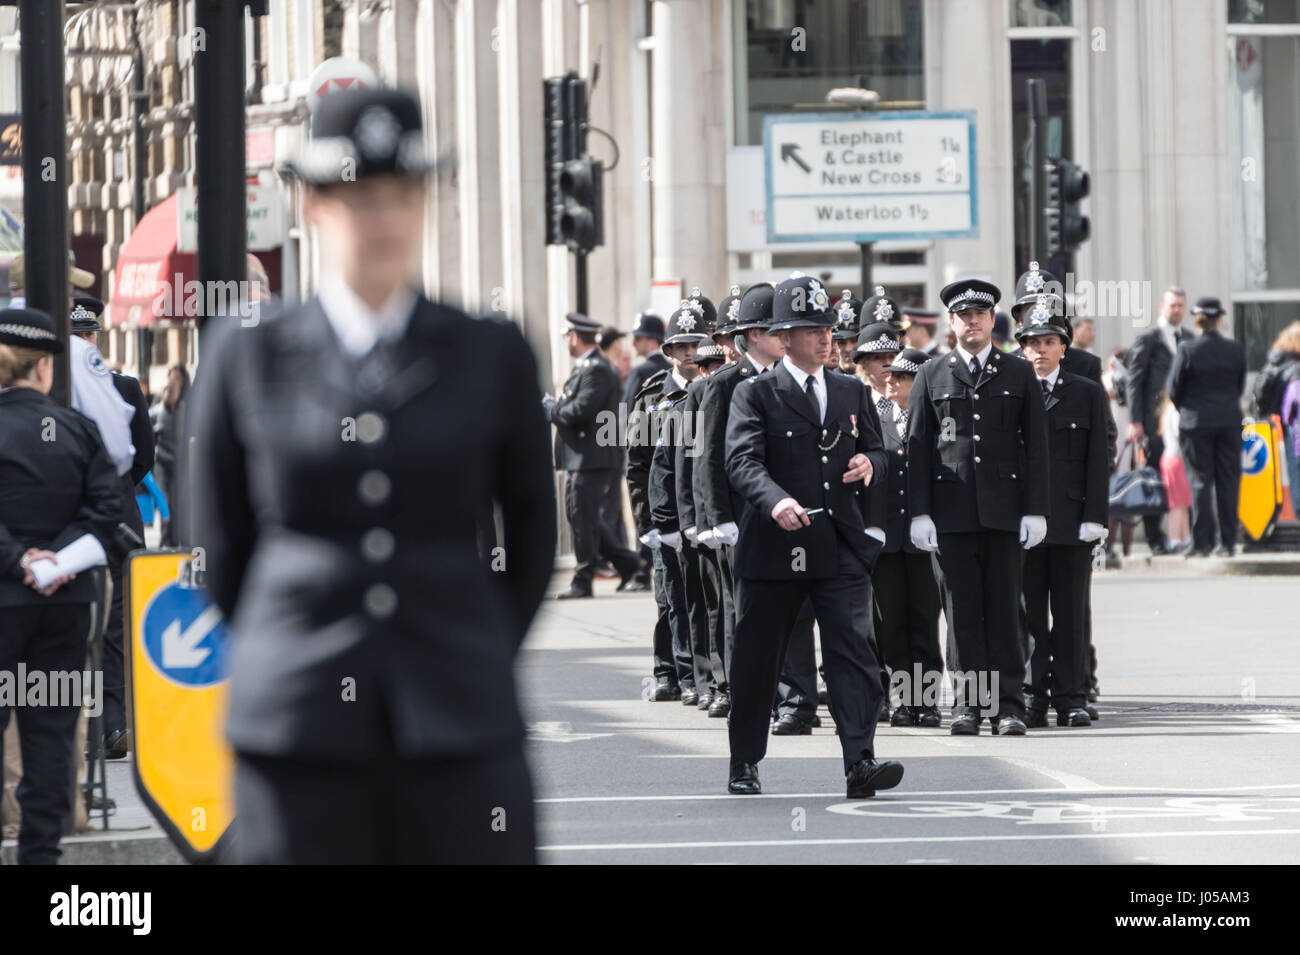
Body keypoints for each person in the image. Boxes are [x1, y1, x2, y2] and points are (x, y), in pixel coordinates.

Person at [189, 86, 555, 863]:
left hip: (458, 719)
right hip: (295, 727)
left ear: (424, 203)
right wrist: (287, 646)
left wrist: (474, 645)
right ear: (315, 204)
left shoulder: (488, 352)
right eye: (357, 196)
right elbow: (220, 543)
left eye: (400, 196)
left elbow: (529, 535)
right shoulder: (249, 354)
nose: (382, 219)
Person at [724, 272, 900, 798]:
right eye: (809, 329)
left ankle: (859, 762)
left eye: (826, 327)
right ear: (783, 338)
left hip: (838, 543)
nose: (825, 338)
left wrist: (871, 461)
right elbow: (740, 460)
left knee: (853, 653)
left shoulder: (849, 389)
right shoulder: (755, 393)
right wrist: (774, 499)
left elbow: (880, 450)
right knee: (759, 659)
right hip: (776, 546)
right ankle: (744, 760)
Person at [0, 307, 120, 864]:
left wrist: (19, 559)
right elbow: (107, 513)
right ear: (45, 367)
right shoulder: (77, 429)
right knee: (51, 736)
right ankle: (40, 857)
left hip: (6, 599)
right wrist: (58, 560)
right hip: (65, 602)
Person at [906, 278, 1050, 736]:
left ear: (993, 321)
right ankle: (969, 704)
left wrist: (1036, 508)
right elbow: (917, 447)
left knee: (1006, 609)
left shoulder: (1018, 372)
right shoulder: (932, 374)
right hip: (952, 515)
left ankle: (1008, 705)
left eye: (980, 315)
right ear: (952, 322)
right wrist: (920, 512)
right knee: (962, 611)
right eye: (964, 315)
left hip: (1005, 513)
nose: (972, 321)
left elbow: (1037, 446)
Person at [1014, 300, 1109, 728]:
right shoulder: (1011, 389)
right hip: (1025, 524)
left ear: (1063, 347)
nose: (1040, 350)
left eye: (1048, 342)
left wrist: (1096, 516)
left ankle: (1071, 697)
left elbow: (1097, 458)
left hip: (1072, 521)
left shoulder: (1086, 392)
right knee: (1030, 616)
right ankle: (1034, 697)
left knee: (1070, 614)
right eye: (1032, 342)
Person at [70, 297, 153, 759]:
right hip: (116, 513)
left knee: (86, 623)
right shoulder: (121, 384)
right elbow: (142, 457)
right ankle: (111, 724)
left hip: (75, 515)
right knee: (114, 627)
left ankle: (98, 726)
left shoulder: (58, 380)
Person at [547, 311, 645, 598]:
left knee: (582, 518)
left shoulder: (597, 369)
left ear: (576, 338)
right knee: (585, 518)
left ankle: (583, 579)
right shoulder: (587, 367)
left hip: (590, 458)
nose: (567, 341)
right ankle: (631, 566)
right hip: (581, 457)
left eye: (568, 337)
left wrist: (551, 410)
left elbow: (581, 410)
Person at [873, 347, 943, 728]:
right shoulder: (876, 416)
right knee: (893, 625)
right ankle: (904, 700)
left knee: (924, 622)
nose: (891, 381)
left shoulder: (932, 418)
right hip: (887, 538)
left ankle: (926, 701)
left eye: (901, 376)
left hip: (922, 539)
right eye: (890, 375)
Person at [648, 302, 713, 706]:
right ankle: (672, 671)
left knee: (705, 599)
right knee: (671, 598)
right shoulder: (653, 396)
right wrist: (649, 522)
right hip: (666, 516)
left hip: (704, 515)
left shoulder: (719, 387)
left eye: (696, 344)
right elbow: (642, 466)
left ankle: (698, 677)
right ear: (669, 352)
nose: (689, 352)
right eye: (681, 345)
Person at [1168, 297, 1246, 557]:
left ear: (1197, 320)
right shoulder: (1235, 349)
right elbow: (1239, 386)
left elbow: (1173, 389)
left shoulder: (1188, 349)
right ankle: (1228, 543)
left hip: (1196, 422)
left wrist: (1189, 410)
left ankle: (1201, 542)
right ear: (1219, 319)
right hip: (1228, 421)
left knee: (1199, 482)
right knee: (1228, 482)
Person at [1126, 287, 1192, 554]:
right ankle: (1155, 538)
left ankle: (1180, 535)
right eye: (1172, 305)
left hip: (1183, 422)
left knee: (1180, 479)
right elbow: (1135, 380)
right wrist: (1135, 420)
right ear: (1161, 307)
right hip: (1154, 423)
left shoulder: (1189, 338)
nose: (1177, 310)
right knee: (1153, 477)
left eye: (1180, 305)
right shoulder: (1149, 338)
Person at [1252, 321, 1300, 496]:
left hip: (1272, 425)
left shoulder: (1273, 363)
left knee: (1291, 470)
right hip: (1293, 426)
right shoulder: (1296, 368)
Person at [151, 364, 189, 546]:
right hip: (162, 462)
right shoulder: (160, 404)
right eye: (171, 377)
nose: (173, 382)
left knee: (178, 503)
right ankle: (166, 541)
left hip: (181, 463)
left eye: (177, 378)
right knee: (165, 502)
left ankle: (177, 540)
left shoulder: (188, 405)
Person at [1157, 396, 1192, 552]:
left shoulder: (1168, 409)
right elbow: (1182, 434)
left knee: (1182, 503)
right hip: (1177, 459)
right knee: (1178, 504)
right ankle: (1175, 539)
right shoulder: (1176, 410)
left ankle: (1184, 538)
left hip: (1172, 458)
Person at [623, 313, 669, 406]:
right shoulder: (672, 369)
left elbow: (627, 407)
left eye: (638, 338)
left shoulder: (639, 372)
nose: (633, 343)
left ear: (653, 342)